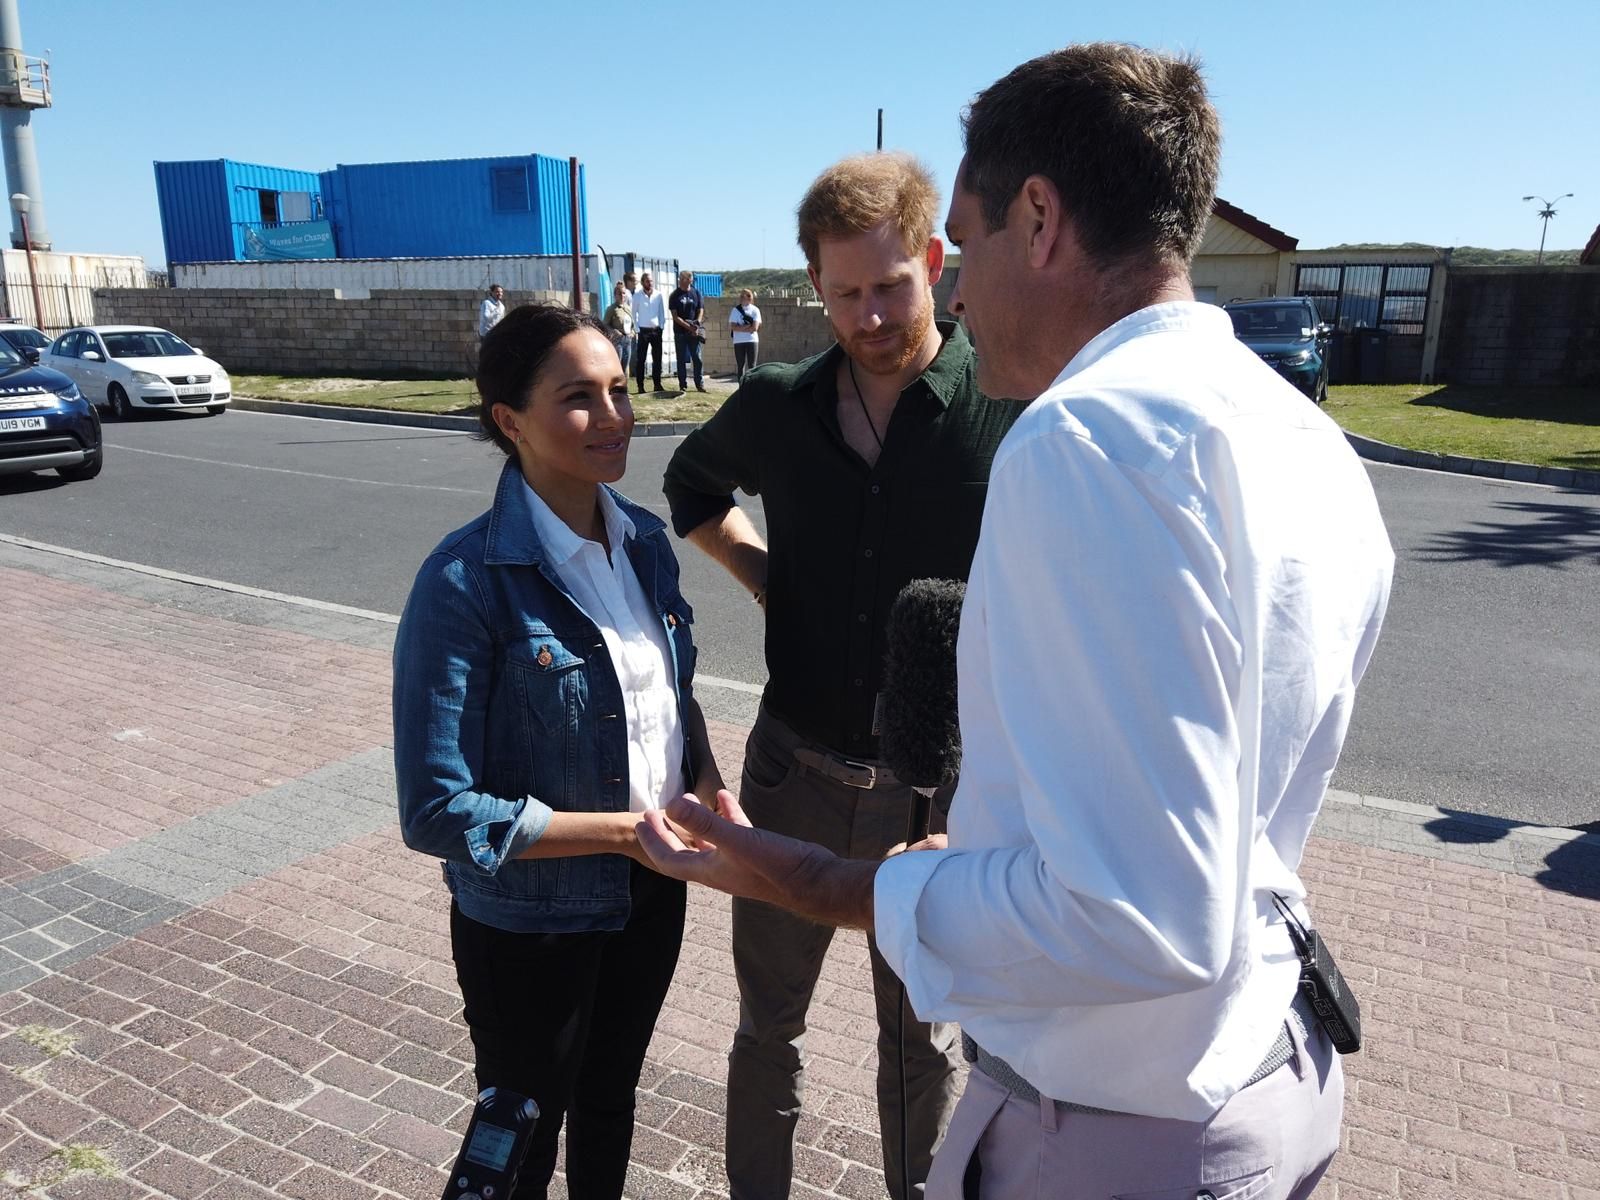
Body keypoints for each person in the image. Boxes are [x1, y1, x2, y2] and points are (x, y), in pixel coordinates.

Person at [640, 43, 1394, 1200]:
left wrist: (835, 880)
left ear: (1035, 219)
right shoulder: (1299, 437)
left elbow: (1137, 915)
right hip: (1252, 1066)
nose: (945, 297)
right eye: (845, 292)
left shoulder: (1080, 437)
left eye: (964, 250)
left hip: (1109, 1125)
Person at [661, 152, 1022, 1200]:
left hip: (934, 798)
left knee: (919, 1046)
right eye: (845, 292)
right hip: (791, 779)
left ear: (935, 260)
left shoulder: (1000, 409)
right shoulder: (780, 403)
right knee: (766, 1030)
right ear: (814, 286)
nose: (868, 316)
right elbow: (691, 482)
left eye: (889, 286)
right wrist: (766, 575)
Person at [393, 303, 725, 1200]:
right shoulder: (465, 582)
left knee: (611, 1099)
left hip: (650, 893)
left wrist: (707, 782)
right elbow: (436, 810)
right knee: (522, 1132)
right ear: (510, 420)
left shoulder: (647, 543)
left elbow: (668, 697)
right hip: (531, 922)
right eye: (579, 397)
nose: (615, 417)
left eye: (619, 390)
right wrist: (623, 833)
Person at [669, 269, 706, 392]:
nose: (680, 281)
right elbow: (675, 316)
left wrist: (697, 324)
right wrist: (688, 326)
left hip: (694, 332)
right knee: (681, 360)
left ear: (689, 280)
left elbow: (700, 310)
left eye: (683, 279)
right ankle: (682, 384)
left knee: (697, 358)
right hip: (680, 332)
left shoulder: (696, 293)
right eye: (680, 279)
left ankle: (699, 384)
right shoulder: (674, 295)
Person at [632, 271, 667, 394]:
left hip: (656, 331)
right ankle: (640, 386)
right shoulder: (637, 295)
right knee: (641, 359)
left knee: (657, 359)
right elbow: (633, 313)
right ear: (642, 282)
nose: (650, 283)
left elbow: (662, 311)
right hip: (643, 331)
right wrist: (637, 328)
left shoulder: (658, 295)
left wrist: (661, 326)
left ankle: (657, 384)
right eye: (647, 281)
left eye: (651, 281)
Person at [729, 288, 761, 381]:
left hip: (752, 340)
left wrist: (740, 328)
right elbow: (733, 327)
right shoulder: (735, 310)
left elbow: (755, 328)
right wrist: (747, 327)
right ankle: (741, 386)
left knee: (752, 365)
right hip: (739, 341)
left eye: (746, 296)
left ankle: (751, 386)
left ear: (750, 298)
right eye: (741, 296)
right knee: (740, 365)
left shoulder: (755, 310)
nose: (743, 298)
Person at [605, 281, 635, 379]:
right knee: (617, 366)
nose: (622, 295)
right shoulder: (611, 309)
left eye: (623, 293)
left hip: (627, 340)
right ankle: (615, 390)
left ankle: (625, 390)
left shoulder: (628, 308)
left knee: (625, 366)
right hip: (617, 340)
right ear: (615, 295)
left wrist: (632, 333)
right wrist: (614, 331)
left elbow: (633, 325)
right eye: (619, 293)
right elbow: (605, 325)